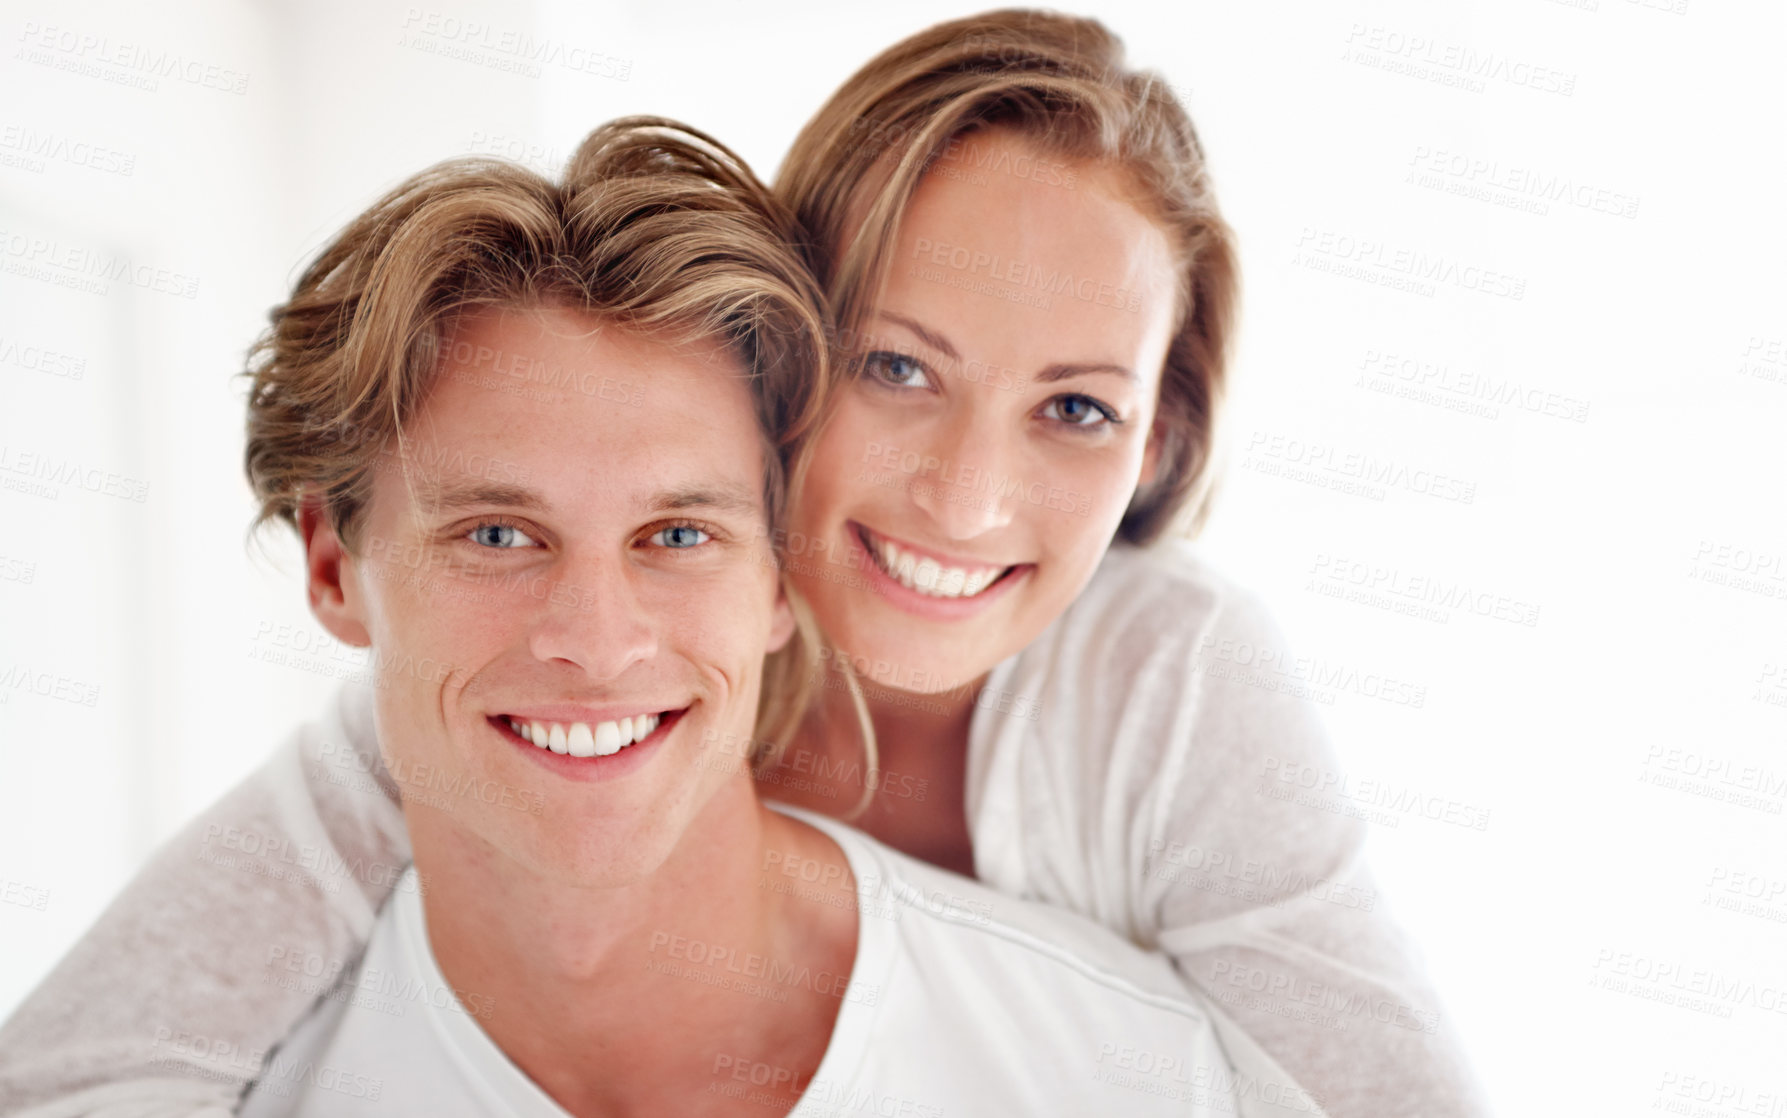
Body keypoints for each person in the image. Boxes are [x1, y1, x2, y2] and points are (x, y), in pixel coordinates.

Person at [0, 11, 1487, 1118]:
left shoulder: (1158, 685)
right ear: (780, 371)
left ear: (1158, 440)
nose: (967, 498)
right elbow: (96, 1062)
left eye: (1076, 407)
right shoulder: (476, 713)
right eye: (898, 367)